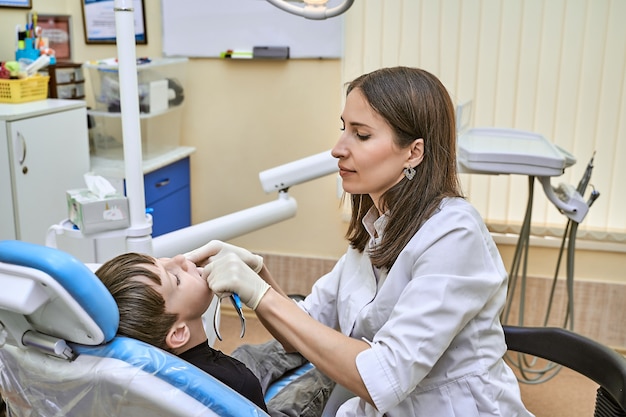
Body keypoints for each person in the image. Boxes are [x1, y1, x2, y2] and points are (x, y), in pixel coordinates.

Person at [187, 66, 535, 416]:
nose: (338, 149)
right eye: (343, 129)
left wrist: (259, 294)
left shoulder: (454, 234)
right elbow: (301, 332)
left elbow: (382, 377)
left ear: (413, 152)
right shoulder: (377, 227)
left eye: (361, 135)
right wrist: (259, 273)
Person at [94, 252, 268, 412]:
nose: (179, 258)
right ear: (178, 334)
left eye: (162, 260)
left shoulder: (126, 387)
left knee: (249, 353)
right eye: (176, 278)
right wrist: (262, 285)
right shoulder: (238, 383)